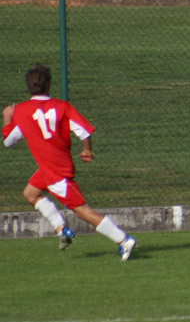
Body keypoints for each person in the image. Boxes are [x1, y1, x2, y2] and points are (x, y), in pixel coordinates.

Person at [2, 64, 137, 261]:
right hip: (51, 169)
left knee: (83, 211)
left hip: (56, 173)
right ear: (48, 85)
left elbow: (8, 141)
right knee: (30, 193)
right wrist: (87, 149)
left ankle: (123, 240)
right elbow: (84, 130)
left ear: (28, 86)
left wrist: (7, 118)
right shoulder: (62, 107)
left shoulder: (21, 111)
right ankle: (62, 229)